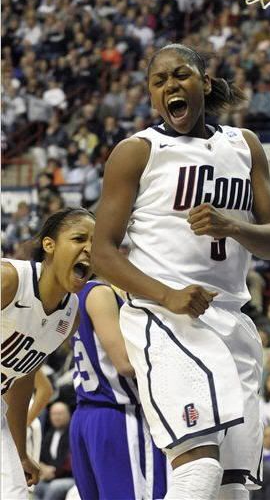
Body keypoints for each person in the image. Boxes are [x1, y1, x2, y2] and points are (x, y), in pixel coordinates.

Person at [91, 43, 270, 500]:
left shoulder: (245, 145)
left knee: (233, 490)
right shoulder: (138, 151)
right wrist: (167, 295)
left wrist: (232, 226)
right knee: (197, 467)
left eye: (179, 76)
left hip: (233, 323)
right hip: (165, 320)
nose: (169, 87)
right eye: (158, 82)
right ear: (151, 96)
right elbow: (103, 253)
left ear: (205, 82)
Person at [1, 207, 95, 500]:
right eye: (79, 238)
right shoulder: (9, 281)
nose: (89, 248)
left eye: (96, 241)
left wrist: (20, 451)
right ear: (49, 245)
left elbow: (22, 379)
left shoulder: (70, 316)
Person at [70, 278, 168, 499]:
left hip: (85, 416)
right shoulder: (99, 293)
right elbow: (125, 363)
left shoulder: (75, 293)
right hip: (117, 415)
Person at [34, 402, 75, 500]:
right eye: (53, 414)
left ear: (69, 414)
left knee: (54, 488)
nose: (56, 417)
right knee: (37, 486)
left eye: (60, 414)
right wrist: (42, 467)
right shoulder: (49, 434)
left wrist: (53, 472)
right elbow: (41, 456)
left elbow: (70, 462)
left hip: (70, 477)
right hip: (50, 476)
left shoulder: (73, 433)